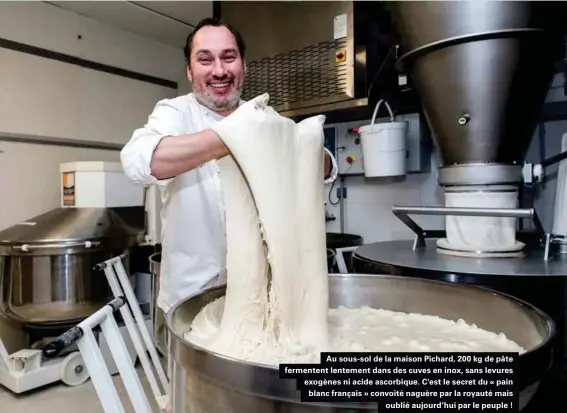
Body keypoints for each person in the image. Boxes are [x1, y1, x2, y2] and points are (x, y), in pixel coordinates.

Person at [121, 18, 338, 322]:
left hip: (264, 296)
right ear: (189, 71)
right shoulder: (175, 112)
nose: (219, 70)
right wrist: (233, 136)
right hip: (191, 299)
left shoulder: (264, 117)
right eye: (205, 59)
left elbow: (320, 162)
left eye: (228, 57)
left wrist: (315, 157)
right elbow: (139, 161)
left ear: (244, 66)